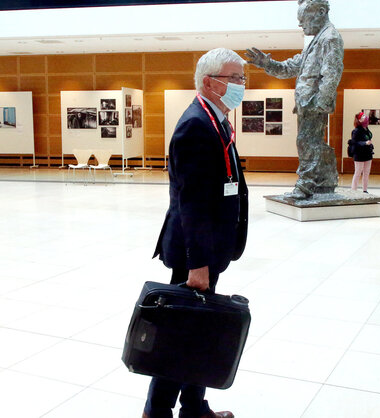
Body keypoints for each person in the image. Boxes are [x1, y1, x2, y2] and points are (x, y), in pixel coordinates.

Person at [147, 47, 249, 418]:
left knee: (200, 329)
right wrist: (198, 265)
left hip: (210, 248)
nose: (241, 85)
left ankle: (193, 405)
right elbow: (190, 204)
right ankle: (156, 411)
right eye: (235, 78)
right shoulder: (195, 125)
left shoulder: (216, 119)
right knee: (181, 333)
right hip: (196, 254)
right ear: (209, 82)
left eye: (242, 78)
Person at [245, 0, 343, 198]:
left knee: (306, 142)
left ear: (321, 12)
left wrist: (320, 103)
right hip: (307, 103)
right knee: (314, 142)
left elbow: (332, 73)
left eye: (304, 19)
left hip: (314, 103)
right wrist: (267, 63)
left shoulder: (329, 38)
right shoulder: (316, 41)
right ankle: (325, 181)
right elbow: (290, 67)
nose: (301, 25)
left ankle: (305, 186)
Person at [349, 111, 374, 192]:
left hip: (368, 153)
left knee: (366, 173)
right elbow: (354, 142)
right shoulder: (356, 131)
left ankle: (365, 190)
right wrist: (364, 143)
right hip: (359, 154)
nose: (365, 117)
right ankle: (353, 190)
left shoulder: (366, 128)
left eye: (364, 115)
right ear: (359, 120)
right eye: (362, 116)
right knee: (358, 173)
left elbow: (369, 137)